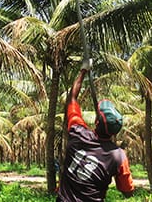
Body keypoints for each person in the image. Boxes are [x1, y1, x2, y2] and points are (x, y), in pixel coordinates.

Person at [58, 61, 134, 201]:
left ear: (96, 122)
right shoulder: (118, 156)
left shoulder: (77, 132)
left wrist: (83, 71)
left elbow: (72, 98)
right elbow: (127, 191)